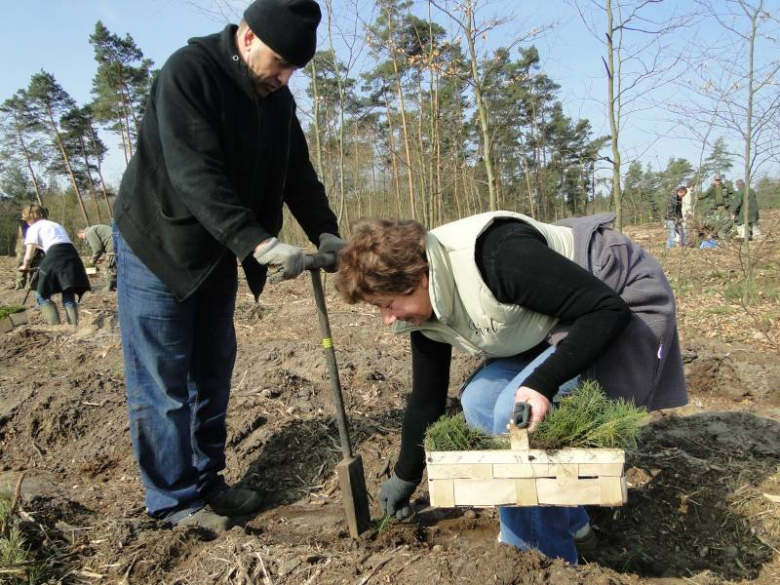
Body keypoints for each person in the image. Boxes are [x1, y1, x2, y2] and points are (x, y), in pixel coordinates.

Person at [334, 211, 688, 564]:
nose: (387, 319)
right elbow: (427, 399)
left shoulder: (498, 257)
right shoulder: (427, 308)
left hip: (615, 292)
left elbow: (606, 310)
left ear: (419, 277)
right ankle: (570, 523)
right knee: (480, 401)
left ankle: (537, 560)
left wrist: (542, 384)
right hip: (556, 316)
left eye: (387, 305)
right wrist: (404, 477)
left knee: (512, 412)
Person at [113, 0, 345, 531]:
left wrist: (325, 229)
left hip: (217, 252)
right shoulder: (188, 75)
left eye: (293, 70)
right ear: (246, 37)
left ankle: (207, 480)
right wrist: (259, 243)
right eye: (280, 63)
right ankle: (174, 502)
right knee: (164, 379)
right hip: (159, 243)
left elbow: (297, 173)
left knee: (212, 370)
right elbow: (197, 177)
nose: (284, 77)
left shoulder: (275, 98)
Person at [18, 204, 90, 326]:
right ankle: (74, 327)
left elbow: (29, 255)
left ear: (30, 217)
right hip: (73, 256)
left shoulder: (34, 228)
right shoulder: (56, 225)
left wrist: (25, 266)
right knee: (67, 290)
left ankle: (55, 326)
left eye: (26, 220)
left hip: (55, 255)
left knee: (41, 295)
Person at [77, 225, 116, 291]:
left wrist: (92, 261)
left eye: (83, 238)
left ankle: (110, 287)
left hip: (113, 244)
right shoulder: (94, 229)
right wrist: (103, 257)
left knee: (109, 267)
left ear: (81, 232)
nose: (84, 239)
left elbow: (98, 249)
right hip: (116, 242)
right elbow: (102, 244)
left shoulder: (89, 233)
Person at [698, 174, 733, 240]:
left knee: (725, 221)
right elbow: (705, 194)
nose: (718, 181)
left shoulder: (725, 187)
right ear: (714, 180)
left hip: (724, 208)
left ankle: (726, 234)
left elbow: (732, 193)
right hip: (716, 209)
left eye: (719, 180)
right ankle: (716, 235)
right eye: (716, 180)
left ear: (721, 180)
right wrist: (699, 197)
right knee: (716, 222)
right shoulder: (711, 188)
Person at [14, 218, 44, 291]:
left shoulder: (43, 223)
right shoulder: (24, 222)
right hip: (23, 250)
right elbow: (27, 235)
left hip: (37, 250)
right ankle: (20, 287)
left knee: (35, 269)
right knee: (22, 269)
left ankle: (33, 288)